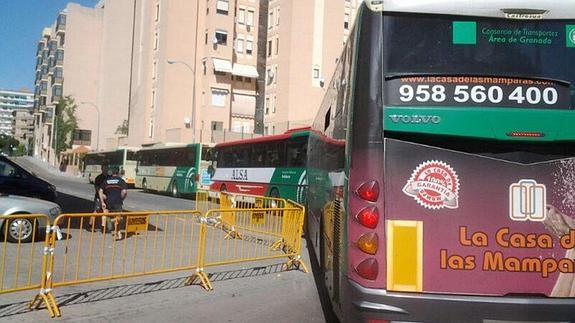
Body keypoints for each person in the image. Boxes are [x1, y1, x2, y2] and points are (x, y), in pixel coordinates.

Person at [99, 167, 128, 239]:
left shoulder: (107, 181)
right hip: (117, 202)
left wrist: (102, 201)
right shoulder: (121, 181)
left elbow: (100, 191)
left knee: (106, 214)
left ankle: (110, 230)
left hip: (108, 201)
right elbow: (124, 192)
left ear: (111, 173)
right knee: (119, 218)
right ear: (118, 173)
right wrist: (121, 199)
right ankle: (116, 229)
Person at [89, 164, 108, 230]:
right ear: (102, 169)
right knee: (96, 211)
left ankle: (103, 227)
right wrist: (101, 195)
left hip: (106, 197)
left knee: (105, 211)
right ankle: (90, 224)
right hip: (98, 197)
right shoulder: (99, 178)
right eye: (104, 168)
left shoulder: (109, 177)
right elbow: (97, 188)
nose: (106, 170)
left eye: (107, 168)